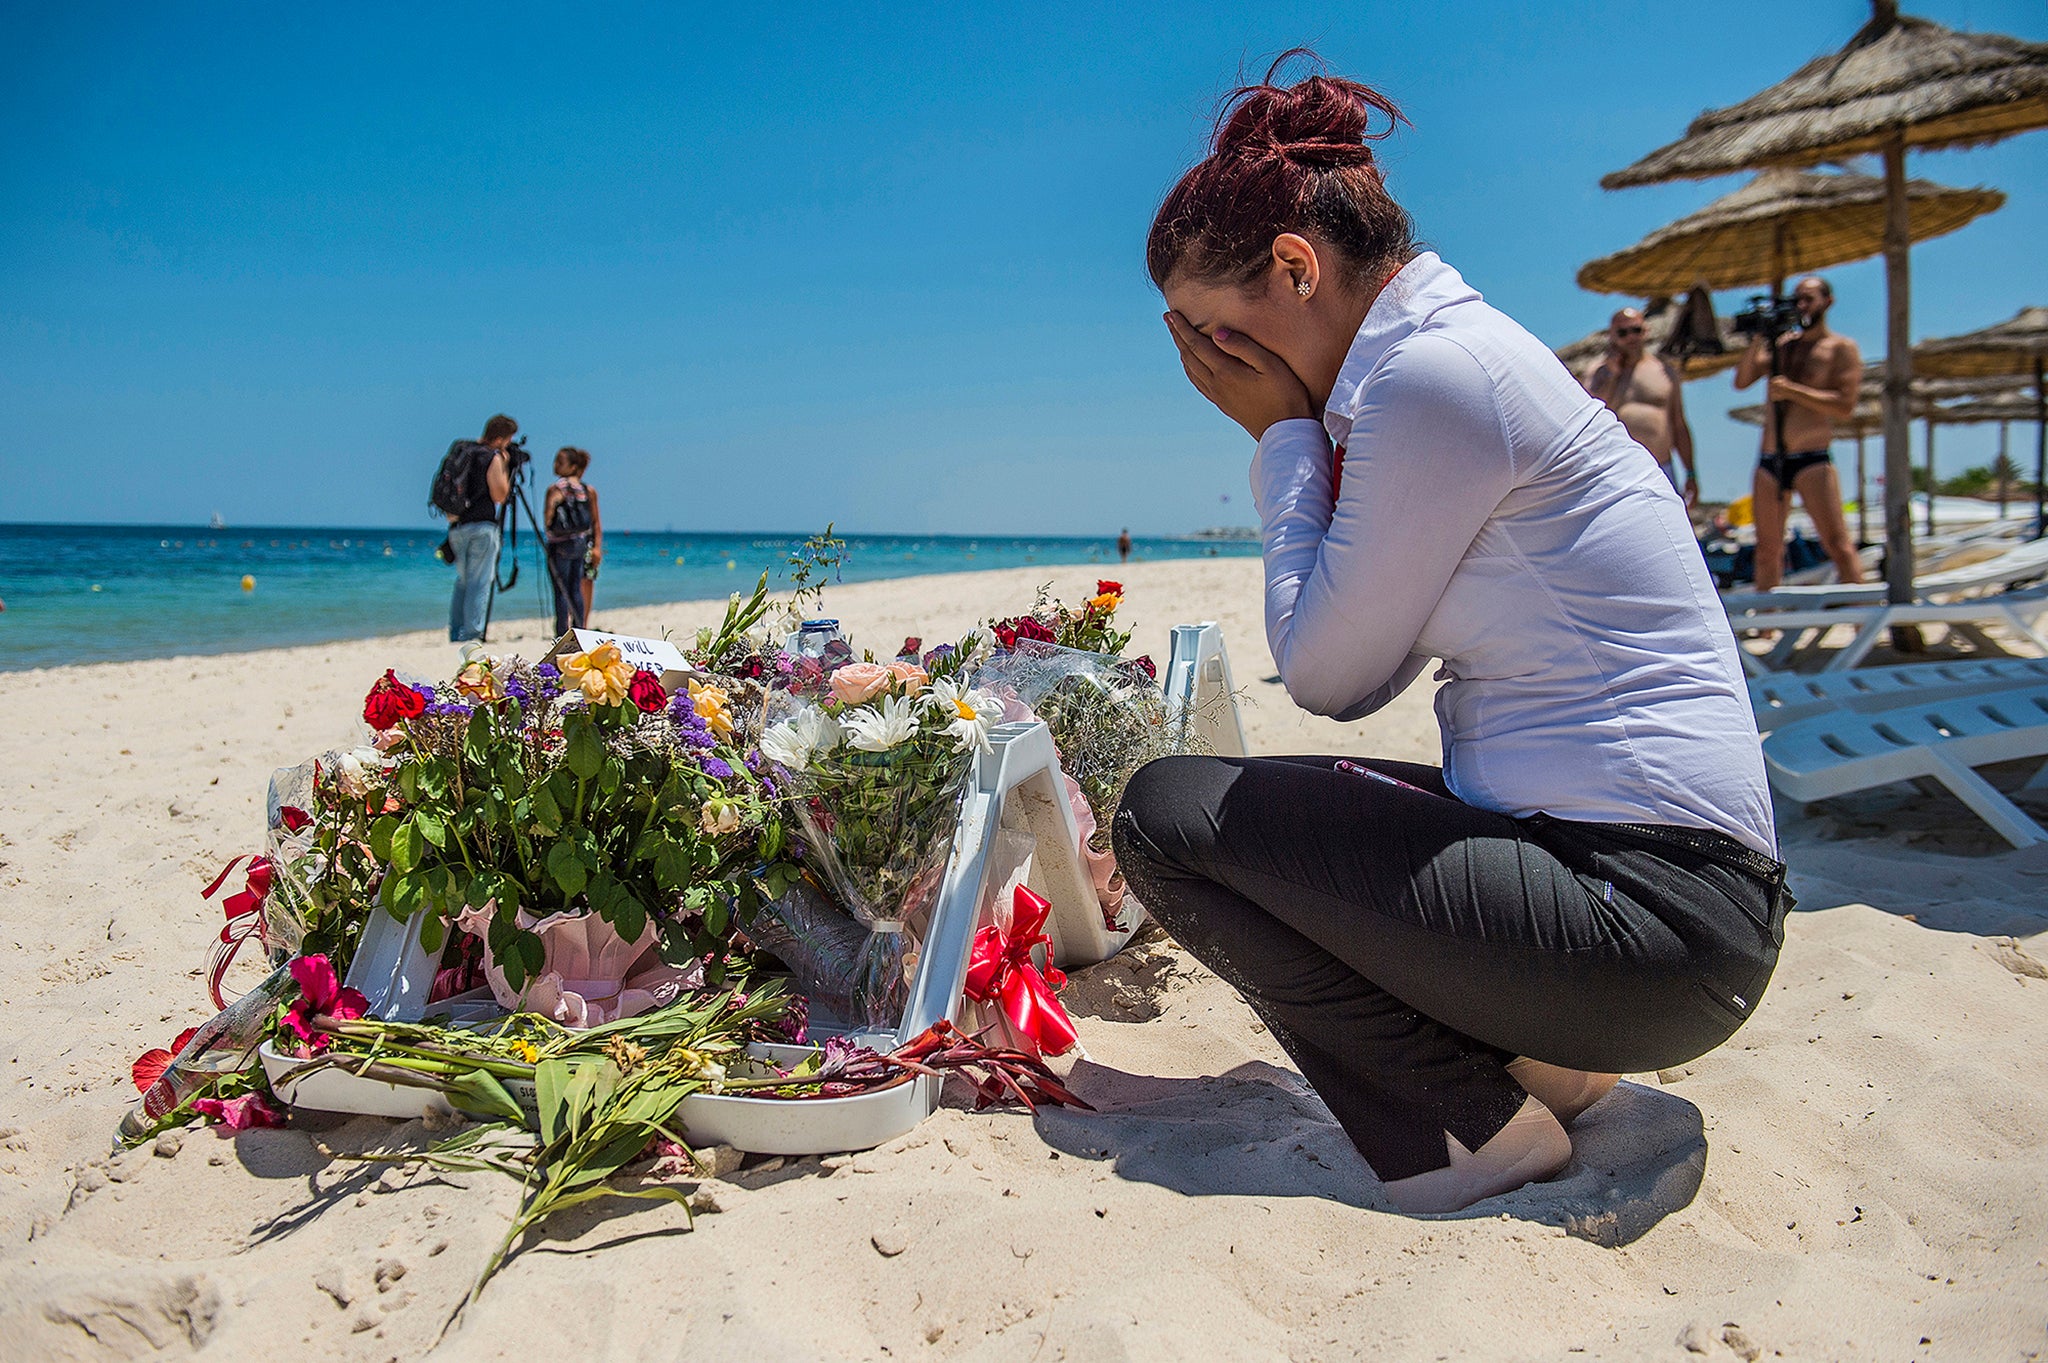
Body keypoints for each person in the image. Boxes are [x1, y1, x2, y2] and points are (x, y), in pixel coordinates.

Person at [1122, 59, 1788, 1215]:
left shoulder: (1431, 376)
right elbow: (1362, 669)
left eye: (1209, 334)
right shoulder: (1434, 358)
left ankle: (1464, 1130)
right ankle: (1545, 1067)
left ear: (1295, 266)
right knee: (1262, 802)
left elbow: (1329, 674)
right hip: (1650, 903)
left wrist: (1281, 436)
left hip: (1656, 923)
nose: (1202, 366)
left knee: (1165, 817)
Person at [1732, 276, 1864, 590]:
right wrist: (1758, 337)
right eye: (1797, 299)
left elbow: (1845, 405)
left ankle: (1863, 619)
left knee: (1837, 543)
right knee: (1767, 549)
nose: (1802, 306)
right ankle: (1767, 627)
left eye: (1809, 298)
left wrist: (1793, 391)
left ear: (1827, 302)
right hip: (1769, 458)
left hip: (1812, 457)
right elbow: (1741, 380)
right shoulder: (1782, 346)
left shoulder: (1841, 348)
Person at [1579, 307, 1697, 505]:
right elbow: (1589, 413)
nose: (1630, 337)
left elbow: (1678, 424)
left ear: (1645, 330)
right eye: (1622, 333)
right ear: (1612, 336)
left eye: (1635, 330)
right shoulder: (1598, 372)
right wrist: (1612, 374)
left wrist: (1691, 473)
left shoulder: (1665, 372)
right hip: (1616, 471)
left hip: (1661, 467)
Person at [446, 414, 514, 642]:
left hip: (457, 526)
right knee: (480, 582)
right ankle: (473, 633)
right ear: (501, 438)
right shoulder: (491, 456)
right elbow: (500, 494)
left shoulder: (464, 452)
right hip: (482, 526)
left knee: (463, 581)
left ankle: (456, 632)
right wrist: (504, 464)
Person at [543, 447, 596, 637]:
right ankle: (579, 628)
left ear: (572, 466)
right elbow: (593, 520)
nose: (555, 465)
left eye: (560, 462)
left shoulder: (557, 488)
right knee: (575, 589)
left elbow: (548, 519)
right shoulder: (585, 489)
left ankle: (561, 632)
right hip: (580, 544)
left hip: (560, 544)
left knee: (560, 590)